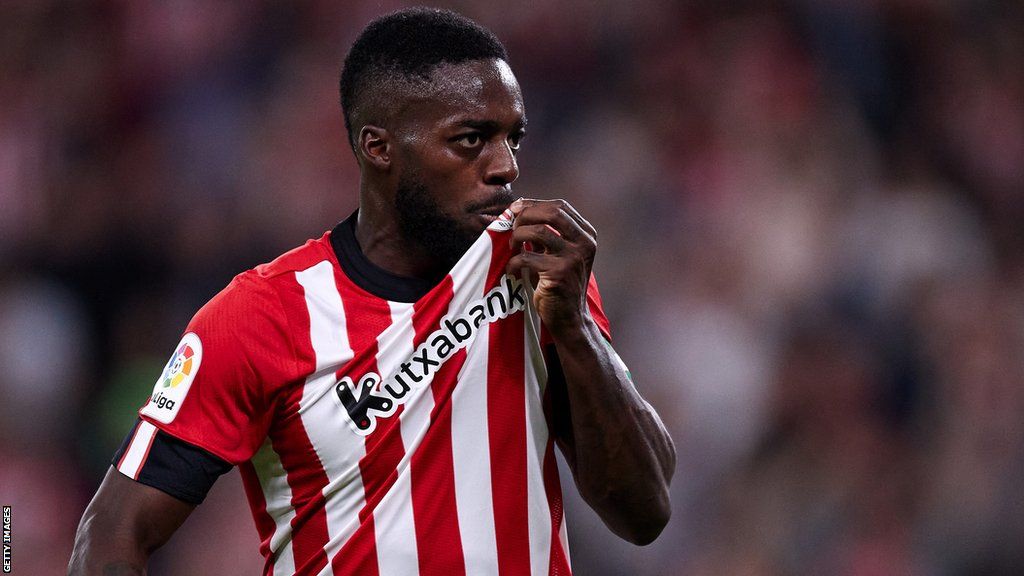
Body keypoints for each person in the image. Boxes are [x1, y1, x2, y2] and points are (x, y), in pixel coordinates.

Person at [68, 7, 675, 575]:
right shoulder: (261, 316)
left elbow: (644, 512)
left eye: (512, 138)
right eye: (471, 139)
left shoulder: (541, 275)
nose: (505, 167)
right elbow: (110, 534)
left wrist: (575, 327)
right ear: (378, 148)